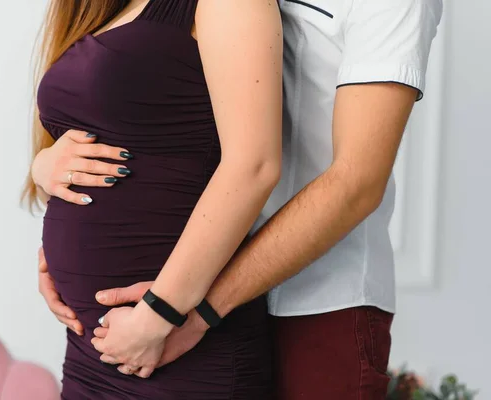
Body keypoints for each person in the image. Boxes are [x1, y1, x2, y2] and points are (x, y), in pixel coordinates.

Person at [35, 0, 444, 398]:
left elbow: (355, 182)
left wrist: (185, 311)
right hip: (184, 287)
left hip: (316, 300)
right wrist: (48, 172)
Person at [25, 0, 283, 398]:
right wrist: (44, 170)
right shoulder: (105, 8)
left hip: (181, 346)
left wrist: (158, 313)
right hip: (92, 351)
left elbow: (255, 166)